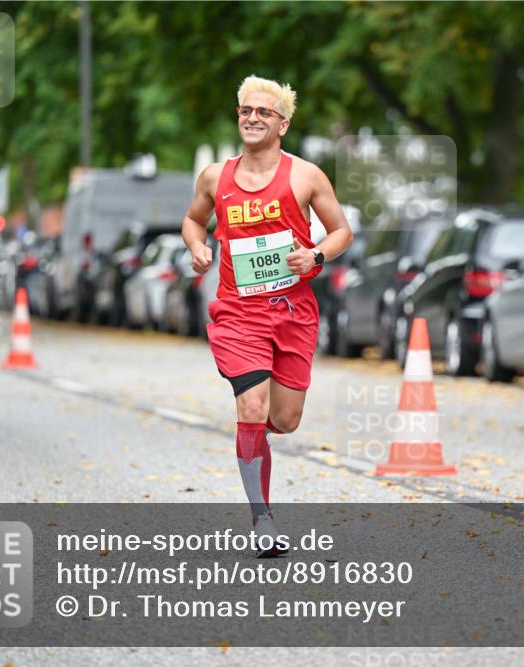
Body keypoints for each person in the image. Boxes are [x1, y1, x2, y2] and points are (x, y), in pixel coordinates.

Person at [181, 75, 353, 557]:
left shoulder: (306, 176)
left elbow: (342, 231)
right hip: (238, 313)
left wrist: (316, 256)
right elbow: (194, 220)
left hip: (293, 312)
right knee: (252, 408)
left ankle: (252, 437)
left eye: (263, 113)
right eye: (245, 111)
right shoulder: (216, 177)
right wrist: (197, 248)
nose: (252, 118)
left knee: (285, 418)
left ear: (283, 124)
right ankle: (263, 519)